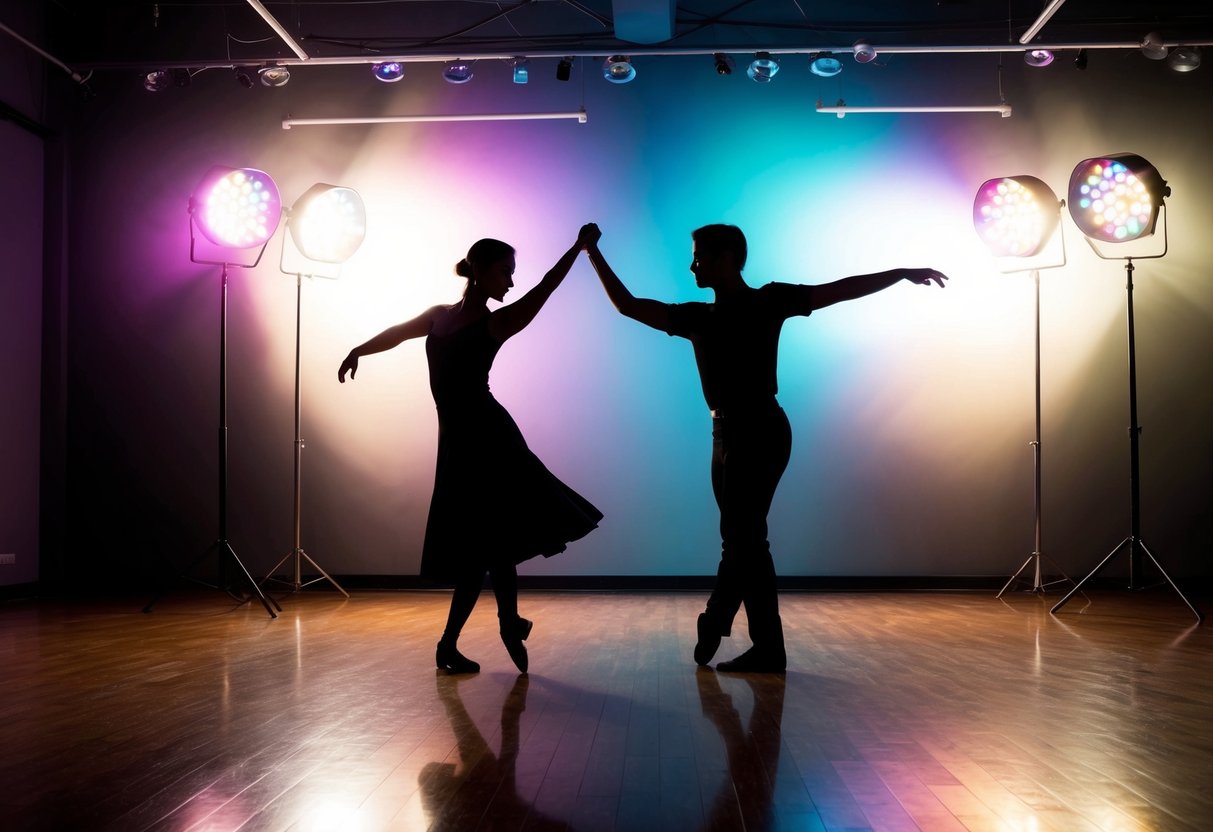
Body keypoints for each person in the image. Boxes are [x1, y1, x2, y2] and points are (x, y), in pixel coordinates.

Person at [583, 223, 946, 672]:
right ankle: (745, 635)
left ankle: (733, 626)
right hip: (723, 435)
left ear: (729, 258)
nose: (693, 264)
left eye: (700, 255)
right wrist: (592, 253)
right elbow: (629, 307)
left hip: (762, 430)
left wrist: (899, 272)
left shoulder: (769, 300)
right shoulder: (698, 317)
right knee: (743, 540)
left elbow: (838, 291)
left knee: (745, 538)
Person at [338, 228, 603, 674]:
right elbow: (397, 334)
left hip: (491, 441)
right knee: (487, 543)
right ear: (478, 270)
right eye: (505, 272)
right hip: (462, 444)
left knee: (487, 543)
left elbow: (543, 290)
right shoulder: (438, 317)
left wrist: (577, 250)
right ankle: (502, 624)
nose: (511, 283)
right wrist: (359, 349)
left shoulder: (494, 323)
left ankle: (480, 632)